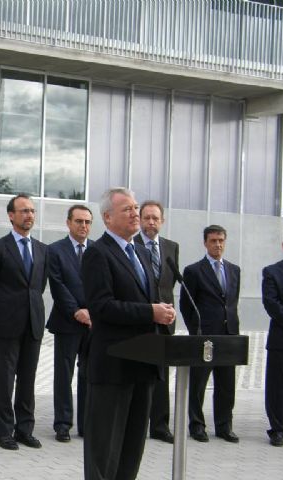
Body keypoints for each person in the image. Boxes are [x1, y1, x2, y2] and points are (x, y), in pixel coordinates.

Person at [81, 187, 175, 480]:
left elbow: (143, 299)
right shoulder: (98, 253)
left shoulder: (141, 252)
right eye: (128, 209)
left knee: (132, 447)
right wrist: (151, 311)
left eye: (136, 207)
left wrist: (162, 312)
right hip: (113, 366)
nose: (136, 213)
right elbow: (102, 307)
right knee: (104, 450)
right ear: (108, 218)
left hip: (142, 365)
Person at [0, 194, 48, 451]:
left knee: (28, 379)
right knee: (5, 379)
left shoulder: (43, 249)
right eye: (23, 211)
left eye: (32, 211)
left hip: (33, 323)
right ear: (11, 215)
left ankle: (25, 430)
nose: (29, 215)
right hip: (6, 323)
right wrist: (4, 308)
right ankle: (4, 431)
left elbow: (38, 286)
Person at [180, 224, 241, 444]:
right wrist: (195, 331)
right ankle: (197, 425)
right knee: (198, 384)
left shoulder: (234, 270)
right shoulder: (194, 271)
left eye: (221, 240)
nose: (218, 244)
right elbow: (186, 305)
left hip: (228, 335)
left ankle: (225, 426)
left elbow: (231, 303)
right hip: (204, 336)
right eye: (213, 240)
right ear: (205, 242)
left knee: (226, 384)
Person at [47, 204, 93, 441]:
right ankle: (63, 423)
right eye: (79, 221)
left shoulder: (98, 250)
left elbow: (103, 285)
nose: (83, 226)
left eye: (87, 222)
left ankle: (86, 424)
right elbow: (57, 285)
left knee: (89, 373)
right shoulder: (55, 250)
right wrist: (76, 311)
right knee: (64, 375)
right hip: (67, 322)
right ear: (68, 223)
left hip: (93, 324)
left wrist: (92, 312)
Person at [134, 200, 179, 444]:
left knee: (162, 375)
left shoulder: (172, 247)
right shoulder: (133, 244)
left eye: (155, 218)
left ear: (162, 221)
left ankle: (160, 426)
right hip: (141, 318)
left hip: (165, 320)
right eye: (147, 217)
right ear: (140, 220)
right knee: (141, 374)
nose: (151, 222)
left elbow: (167, 284)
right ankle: (138, 424)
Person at [262, 241, 283, 447]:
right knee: (278, 387)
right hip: (281, 339)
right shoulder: (272, 272)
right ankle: (277, 429)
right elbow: (271, 303)